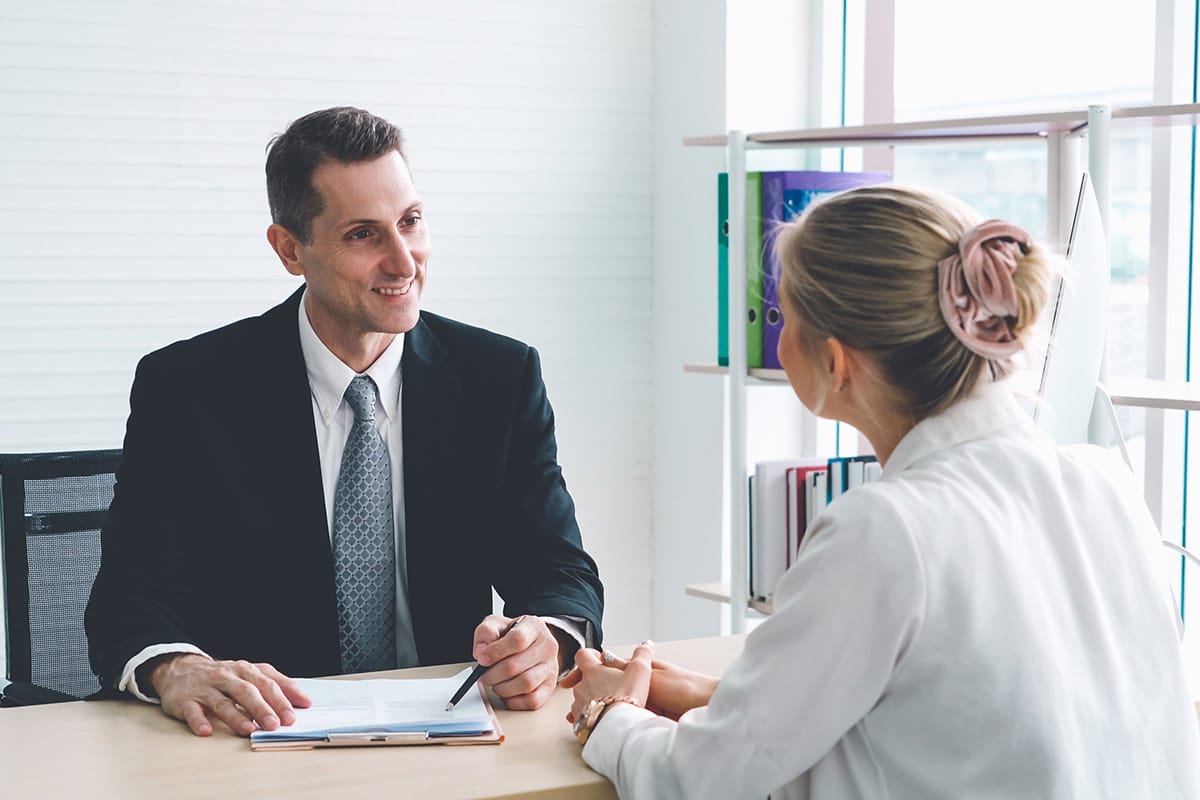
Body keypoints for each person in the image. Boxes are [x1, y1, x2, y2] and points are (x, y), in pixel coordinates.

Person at [564, 185, 1200, 798]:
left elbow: (698, 782)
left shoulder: (885, 529)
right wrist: (722, 699)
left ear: (837, 362)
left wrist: (610, 718)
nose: (776, 338)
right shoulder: (1104, 482)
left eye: (784, 316)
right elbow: (973, 719)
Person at [85, 106, 604, 738]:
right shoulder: (191, 389)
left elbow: (558, 569)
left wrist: (546, 637)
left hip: (450, 738)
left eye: (410, 222)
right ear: (289, 250)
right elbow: (129, 602)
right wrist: (175, 669)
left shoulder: (498, 378)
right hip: (260, 746)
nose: (404, 262)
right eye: (363, 234)